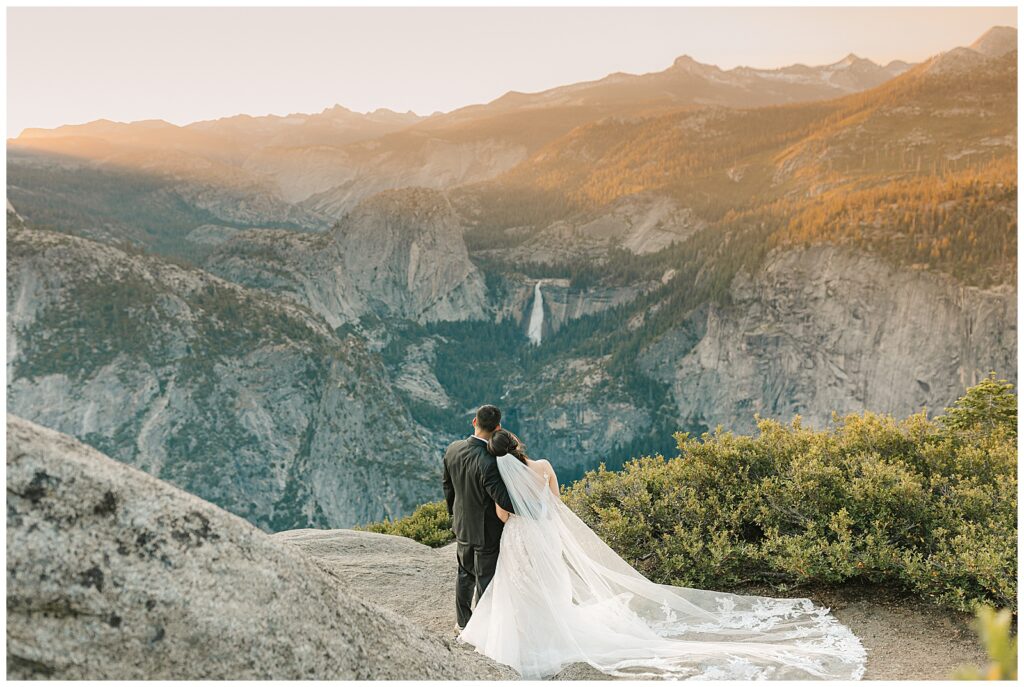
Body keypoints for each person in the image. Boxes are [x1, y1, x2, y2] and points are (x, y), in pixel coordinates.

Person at [458, 428, 867, 680]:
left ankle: (530, 646)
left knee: (523, 590)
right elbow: (557, 503)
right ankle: (554, 636)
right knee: (551, 584)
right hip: (544, 534)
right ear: (518, 444)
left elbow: (502, 514)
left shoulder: (501, 475)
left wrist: (515, 516)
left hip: (520, 538)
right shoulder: (543, 464)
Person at [441, 404, 514, 631]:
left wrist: (455, 515)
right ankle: (482, 630)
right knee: (485, 580)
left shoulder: (453, 449)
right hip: (486, 531)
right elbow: (503, 499)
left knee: (464, 574)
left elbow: (448, 487)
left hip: (462, 526)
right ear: (498, 428)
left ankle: (463, 623)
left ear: (474, 422)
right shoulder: (489, 461)